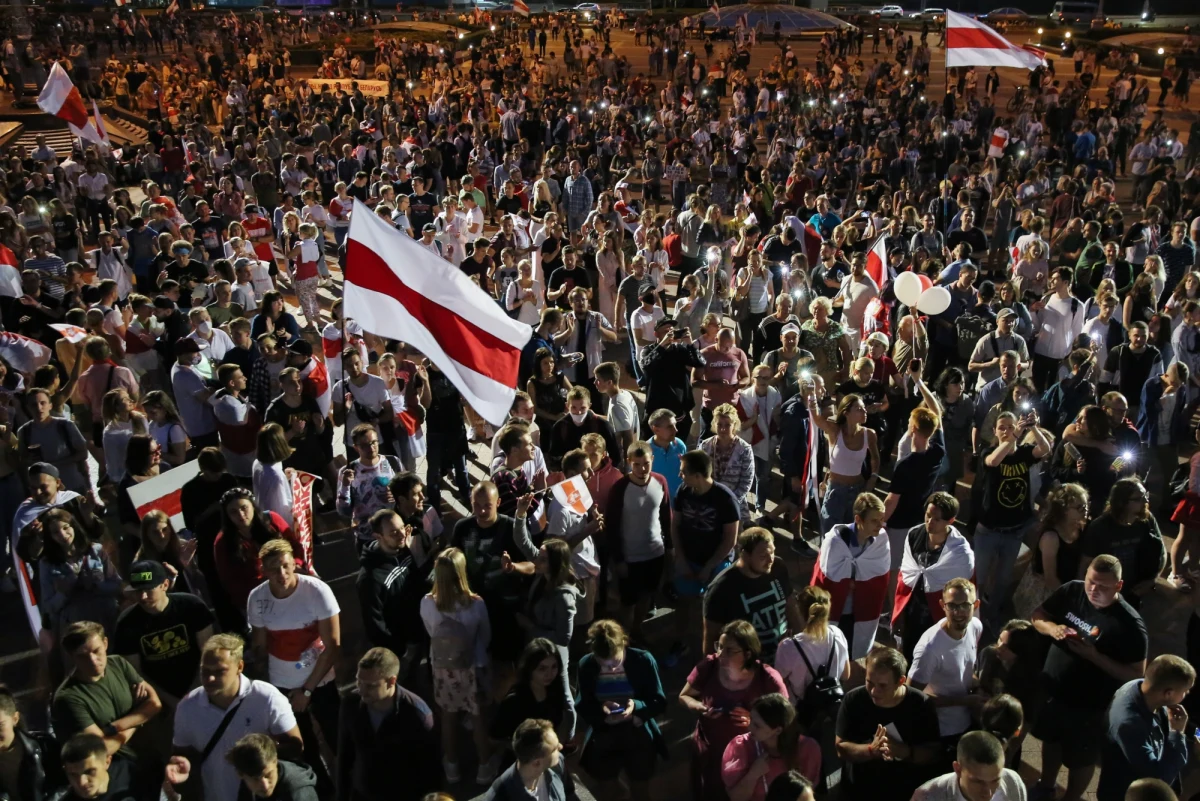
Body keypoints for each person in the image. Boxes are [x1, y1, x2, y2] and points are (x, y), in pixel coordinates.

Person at [1030, 555, 1149, 801]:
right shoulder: (1073, 591)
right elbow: (1038, 615)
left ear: (1119, 586)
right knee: (1050, 740)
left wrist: (1094, 656)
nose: (1094, 590)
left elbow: (1137, 675)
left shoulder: (1130, 625)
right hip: (1054, 690)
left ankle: (1071, 798)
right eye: (1091, 582)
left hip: (1088, 706)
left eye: (1103, 586)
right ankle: (1047, 784)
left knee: (1081, 759)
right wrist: (1053, 628)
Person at [247, 539, 341, 795]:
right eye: (274, 568)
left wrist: (307, 691)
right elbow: (260, 647)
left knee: (339, 739)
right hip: (282, 685)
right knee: (302, 748)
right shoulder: (257, 599)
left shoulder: (317, 591)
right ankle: (320, 792)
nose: (282, 574)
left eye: (286, 566)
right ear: (263, 571)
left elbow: (332, 646)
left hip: (320, 681)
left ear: (295, 564)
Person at [169, 634, 303, 801]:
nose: (210, 678)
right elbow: (182, 754)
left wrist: (259, 752)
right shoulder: (187, 707)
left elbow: (295, 747)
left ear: (239, 666)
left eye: (219, 671)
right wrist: (182, 769)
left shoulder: (267, 698)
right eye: (205, 671)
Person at [680, 618, 788, 801]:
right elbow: (684, 696)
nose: (721, 653)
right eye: (719, 646)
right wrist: (698, 706)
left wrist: (753, 721)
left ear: (747, 654)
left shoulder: (768, 679)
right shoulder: (709, 666)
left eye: (729, 650)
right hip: (711, 756)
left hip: (749, 760)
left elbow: (785, 721)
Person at [420, 547, 497, 785]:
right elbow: (486, 636)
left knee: (449, 719)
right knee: (478, 719)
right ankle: (484, 767)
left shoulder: (428, 603)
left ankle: (452, 766)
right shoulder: (475, 604)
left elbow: (430, 632)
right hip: (474, 666)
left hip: (444, 668)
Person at [975, 410, 1052, 634]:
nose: (1007, 431)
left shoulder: (1025, 454)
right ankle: (974, 614)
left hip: (1013, 532)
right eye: (1003, 427)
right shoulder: (988, 452)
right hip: (988, 530)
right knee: (978, 576)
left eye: (1011, 426)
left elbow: (1045, 449)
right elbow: (994, 460)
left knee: (1003, 579)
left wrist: (1034, 427)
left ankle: (992, 616)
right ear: (995, 432)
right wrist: (1015, 434)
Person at [52, 621, 162, 774]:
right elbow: (102, 748)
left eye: (96, 651)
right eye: (82, 656)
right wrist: (137, 718)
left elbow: (155, 703)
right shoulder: (69, 698)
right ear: (71, 657)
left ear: (105, 643)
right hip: (114, 773)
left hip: (148, 759)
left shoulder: (118, 663)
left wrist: (114, 727)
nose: (92, 660)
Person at [834, 645, 941, 801]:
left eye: (883, 685)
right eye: (869, 682)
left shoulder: (921, 704)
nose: (873, 691)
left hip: (904, 792)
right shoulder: (853, 700)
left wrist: (905, 752)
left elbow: (933, 752)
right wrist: (871, 750)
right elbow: (840, 747)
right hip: (858, 792)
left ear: (901, 681)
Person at [576, 620, 667, 801]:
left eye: (615, 661)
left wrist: (637, 708)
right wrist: (602, 713)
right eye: (603, 663)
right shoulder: (586, 665)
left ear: (624, 643)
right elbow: (582, 704)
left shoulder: (643, 660)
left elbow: (658, 700)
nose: (611, 667)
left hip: (638, 734)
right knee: (608, 791)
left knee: (640, 790)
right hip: (604, 735)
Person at [336, 647, 442, 801]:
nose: (362, 691)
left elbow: (431, 772)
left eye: (371, 685)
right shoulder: (350, 705)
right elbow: (345, 757)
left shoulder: (417, 715)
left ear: (391, 681)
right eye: (359, 681)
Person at [669, 449, 741, 664]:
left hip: (717, 562)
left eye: (684, 472)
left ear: (698, 475)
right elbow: (676, 524)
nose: (680, 476)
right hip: (689, 557)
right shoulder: (683, 491)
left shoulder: (725, 499)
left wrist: (710, 566)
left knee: (717, 611)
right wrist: (680, 558)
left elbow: (730, 539)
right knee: (684, 602)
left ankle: (717, 651)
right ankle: (680, 643)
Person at [112, 560, 214, 711]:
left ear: (165, 585)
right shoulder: (126, 623)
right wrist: (172, 702)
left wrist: (197, 689)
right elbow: (136, 673)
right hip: (160, 696)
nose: (143, 596)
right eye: (138, 590)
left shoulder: (192, 606)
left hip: (203, 684)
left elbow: (209, 652)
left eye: (148, 589)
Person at [1097, 654, 1194, 801]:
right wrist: (1177, 733)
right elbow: (1158, 780)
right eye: (1185, 691)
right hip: (1129, 794)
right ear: (1168, 693)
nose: (1187, 694)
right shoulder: (1130, 725)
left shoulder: (1141, 687)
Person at [605, 441, 671, 642]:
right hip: (630, 557)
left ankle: (636, 630)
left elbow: (666, 517)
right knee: (627, 602)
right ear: (629, 463)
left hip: (654, 554)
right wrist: (618, 560)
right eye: (637, 465)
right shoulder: (620, 488)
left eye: (646, 464)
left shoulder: (660, 482)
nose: (642, 469)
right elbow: (612, 527)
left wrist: (670, 548)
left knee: (647, 597)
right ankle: (624, 637)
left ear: (652, 460)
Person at [812, 493, 891, 659]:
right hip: (835, 612)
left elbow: (880, 577)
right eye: (874, 521)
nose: (880, 525)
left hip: (859, 612)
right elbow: (827, 577)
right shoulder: (835, 542)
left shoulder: (881, 540)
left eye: (881, 519)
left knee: (848, 655)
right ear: (858, 519)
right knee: (827, 654)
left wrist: (856, 582)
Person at [907, 578, 984, 742]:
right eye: (952, 606)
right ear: (942, 605)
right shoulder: (930, 648)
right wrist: (962, 701)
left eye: (965, 605)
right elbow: (912, 696)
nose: (958, 612)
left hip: (966, 723)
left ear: (975, 605)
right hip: (939, 730)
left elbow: (964, 667)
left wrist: (976, 684)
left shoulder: (975, 627)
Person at [704, 528, 796, 661]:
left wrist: (805, 643)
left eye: (773, 552)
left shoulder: (778, 567)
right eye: (763, 556)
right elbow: (711, 641)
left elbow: (791, 607)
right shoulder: (720, 589)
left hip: (785, 658)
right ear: (744, 555)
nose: (771, 560)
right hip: (749, 669)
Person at [721, 693, 821, 801]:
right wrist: (753, 774)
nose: (749, 727)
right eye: (751, 720)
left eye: (757, 725)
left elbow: (806, 796)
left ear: (777, 730)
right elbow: (736, 797)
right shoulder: (741, 747)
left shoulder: (807, 749)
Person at [490, 639, 576, 760]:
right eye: (542, 668)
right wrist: (528, 752)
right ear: (529, 668)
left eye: (554, 667)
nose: (549, 674)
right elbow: (495, 738)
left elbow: (560, 721)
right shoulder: (514, 701)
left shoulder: (555, 690)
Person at [911, 731, 1027, 801]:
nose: (988, 793)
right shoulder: (927, 797)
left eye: (995, 780)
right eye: (978, 781)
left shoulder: (1013, 782)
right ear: (958, 769)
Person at [482, 718, 571, 801]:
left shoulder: (558, 763)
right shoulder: (499, 796)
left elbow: (570, 794)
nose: (561, 746)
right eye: (554, 749)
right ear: (537, 763)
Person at [221, 733, 317, 801]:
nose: (265, 785)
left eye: (268, 775)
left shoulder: (298, 791)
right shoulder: (247, 780)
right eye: (256, 779)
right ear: (240, 774)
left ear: (275, 761)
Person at [58, 734, 138, 801]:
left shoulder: (130, 772)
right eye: (73, 775)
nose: (82, 782)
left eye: (89, 771)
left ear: (107, 762)